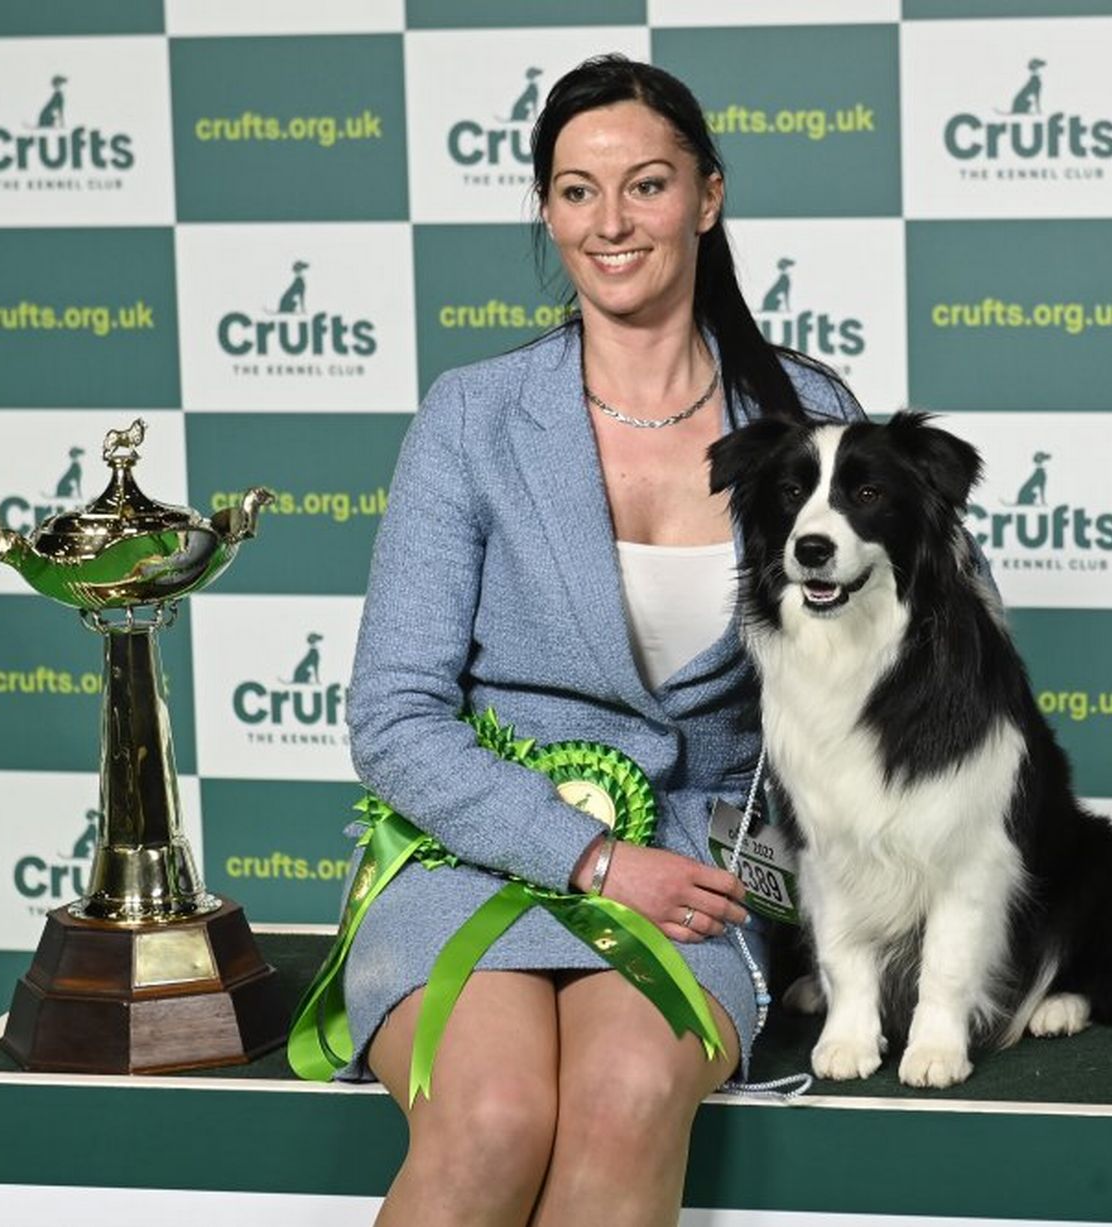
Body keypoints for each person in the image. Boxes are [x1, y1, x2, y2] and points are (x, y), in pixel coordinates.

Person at [341, 55, 870, 1226]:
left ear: (708, 197)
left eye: (646, 185)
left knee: (628, 1096)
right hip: (471, 851)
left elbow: (894, 675)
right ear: (546, 210)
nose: (611, 222)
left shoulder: (808, 416)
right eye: (577, 191)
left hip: (695, 867)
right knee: (491, 1118)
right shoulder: (473, 416)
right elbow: (393, 718)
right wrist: (584, 857)